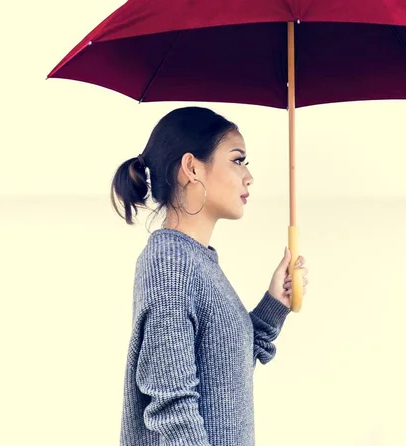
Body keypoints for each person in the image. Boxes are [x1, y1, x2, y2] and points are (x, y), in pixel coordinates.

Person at [110, 106, 309, 446]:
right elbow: (171, 402)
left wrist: (274, 305)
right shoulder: (170, 262)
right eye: (237, 159)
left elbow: (224, 374)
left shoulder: (197, 260)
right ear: (192, 167)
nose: (249, 176)